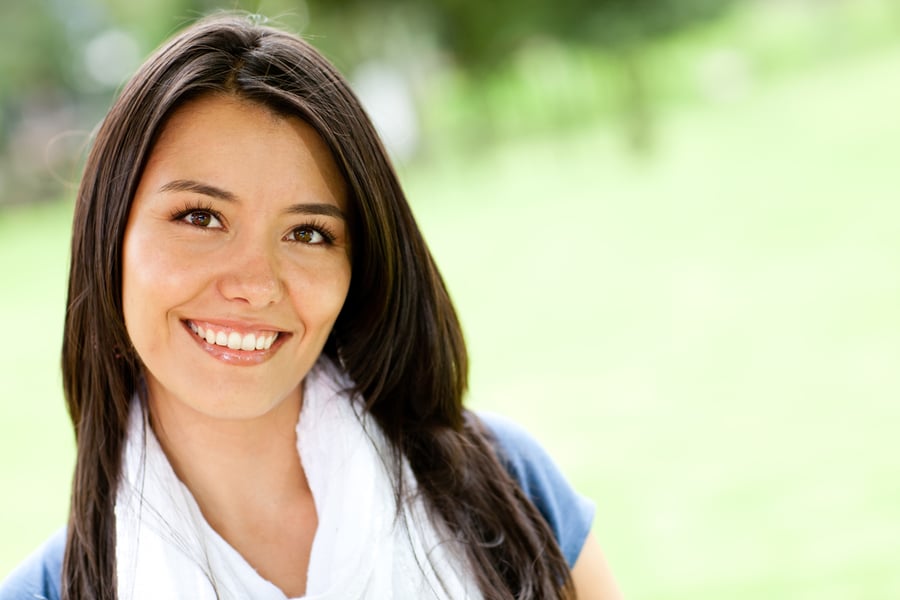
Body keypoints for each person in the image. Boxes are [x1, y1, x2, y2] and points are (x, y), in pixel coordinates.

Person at [0, 13, 620, 600]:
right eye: (200, 217)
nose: (256, 284)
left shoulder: (504, 486)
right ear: (110, 237)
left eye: (308, 233)